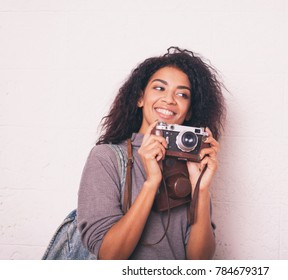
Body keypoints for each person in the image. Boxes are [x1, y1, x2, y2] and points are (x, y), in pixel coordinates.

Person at [77, 47, 226, 260]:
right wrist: (152, 182)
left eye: (182, 94)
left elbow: (199, 263)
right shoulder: (106, 158)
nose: (169, 99)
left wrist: (201, 190)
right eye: (159, 88)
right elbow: (109, 256)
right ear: (140, 98)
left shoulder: (193, 164)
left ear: (189, 110)